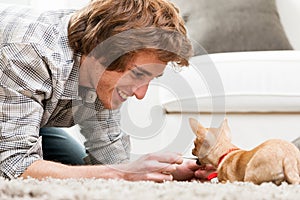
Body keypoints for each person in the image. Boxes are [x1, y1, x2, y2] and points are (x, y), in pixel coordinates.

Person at [0, 0, 215, 182]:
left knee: (78, 168)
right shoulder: (28, 52)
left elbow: (110, 159)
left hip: (25, 120)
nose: (141, 95)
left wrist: (166, 171)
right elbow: (13, 167)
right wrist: (122, 173)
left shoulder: (100, 71)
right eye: (138, 75)